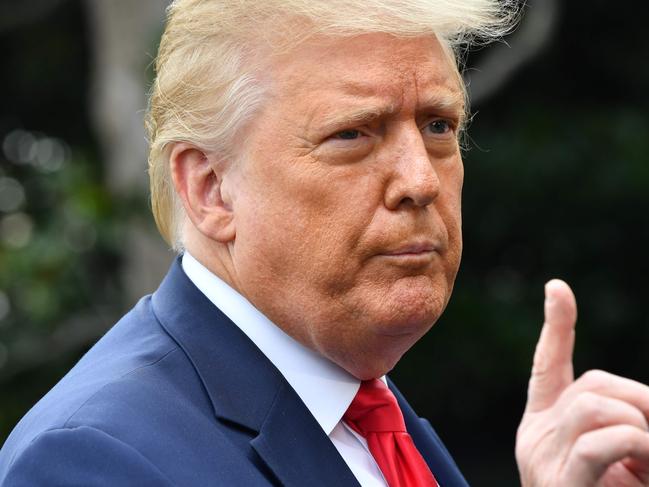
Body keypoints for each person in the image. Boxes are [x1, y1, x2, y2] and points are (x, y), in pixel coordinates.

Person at [2, 0, 649, 485]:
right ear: (210, 188)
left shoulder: (368, 410)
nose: (420, 180)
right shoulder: (90, 458)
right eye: (353, 134)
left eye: (437, 124)